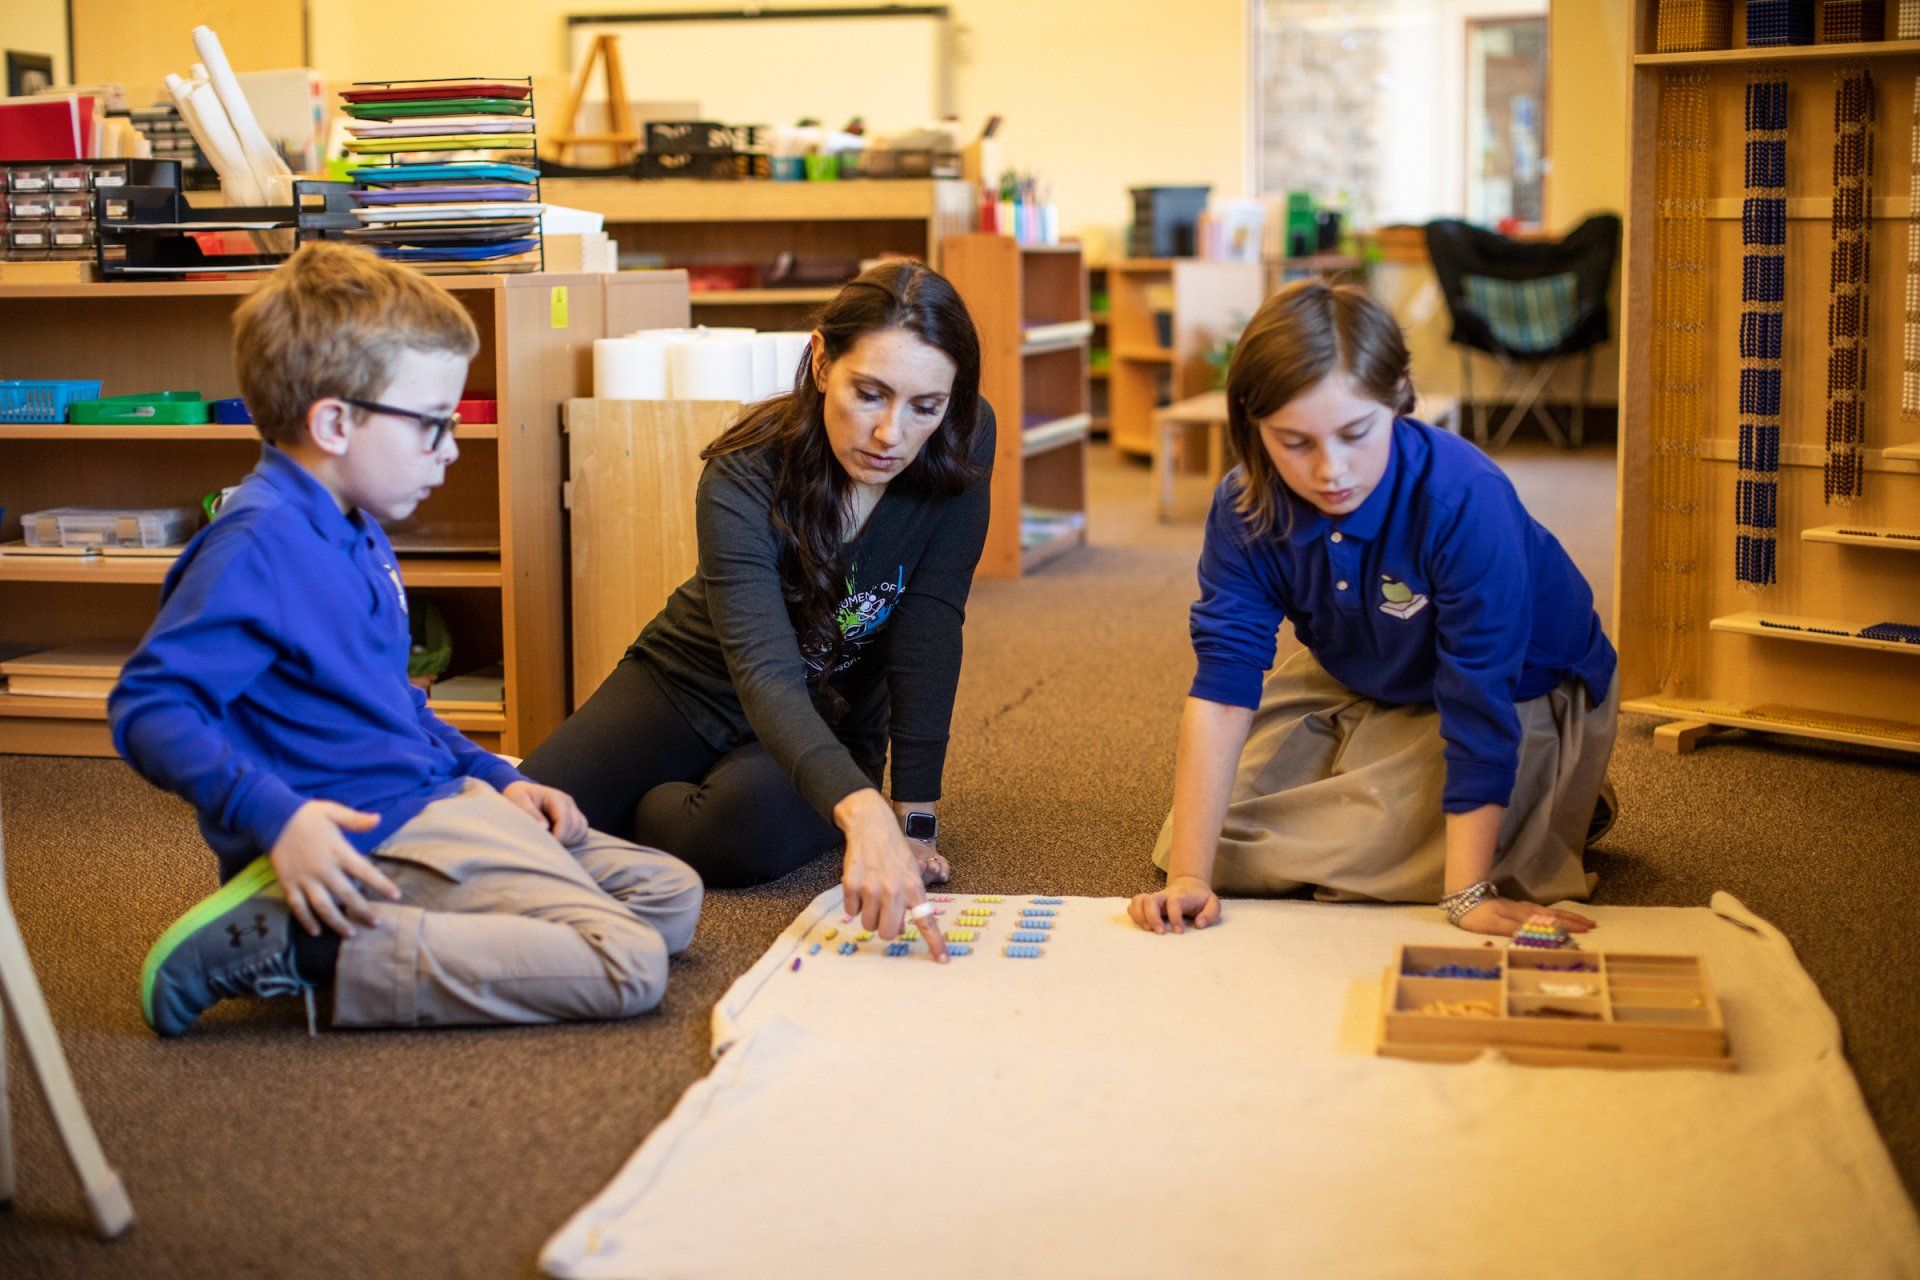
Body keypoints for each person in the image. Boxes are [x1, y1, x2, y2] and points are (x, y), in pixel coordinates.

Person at [111, 242, 702, 1037]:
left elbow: (393, 704)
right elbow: (149, 706)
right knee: (629, 961)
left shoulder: (356, 528)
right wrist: (279, 819)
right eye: (431, 425)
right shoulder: (256, 544)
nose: (451, 448)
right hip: (376, 828)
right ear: (333, 421)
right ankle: (314, 946)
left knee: (671, 899)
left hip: (436, 796)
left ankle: (351, 924)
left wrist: (493, 775)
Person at [519, 260, 992, 953]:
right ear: (822, 361)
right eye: (870, 394)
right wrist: (861, 816)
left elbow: (930, 621)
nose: (892, 433)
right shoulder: (743, 473)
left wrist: (910, 822)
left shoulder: (966, 434)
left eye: (925, 405)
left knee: (743, 833)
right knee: (524, 819)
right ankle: (657, 790)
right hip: (692, 680)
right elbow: (762, 669)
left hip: (830, 709)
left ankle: (650, 804)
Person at [1129, 281, 1617, 938]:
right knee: (1206, 843)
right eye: (1294, 442)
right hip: (1366, 661)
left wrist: (1468, 895)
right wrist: (1190, 876)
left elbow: (1479, 694)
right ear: (1251, 424)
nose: (1331, 470)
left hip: (1523, 687)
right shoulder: (1244, 504)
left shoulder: (1465, 497)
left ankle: (1558, 798)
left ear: (1398, 399)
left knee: (1368, 848)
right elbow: (1223, 687)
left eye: (1356, 434)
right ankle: (1503, 806)